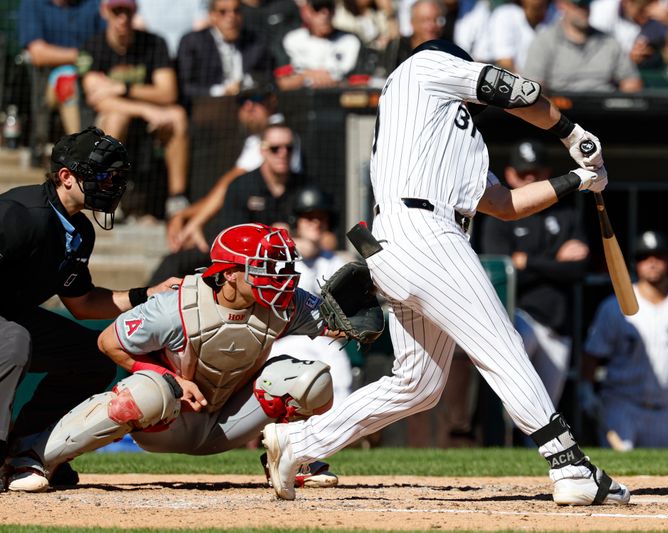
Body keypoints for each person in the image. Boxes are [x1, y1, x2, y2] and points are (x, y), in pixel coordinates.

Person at [262, 39, 630, 506]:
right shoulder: (424, 67)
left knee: (418, 384)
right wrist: (569, 130)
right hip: (425, 233)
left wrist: (577, 179)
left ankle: (299, 444)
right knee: (502, 347)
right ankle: (569, 465)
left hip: (396, 244)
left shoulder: (449, 133)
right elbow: (517, 90)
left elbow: (505, 205)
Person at [5, 222, 345, 492]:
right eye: (264, 268)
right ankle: (32, 455)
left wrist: (365, 304)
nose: (277, 278)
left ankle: (293, 459)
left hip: (229, 420)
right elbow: (109, 342)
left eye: (279, 267)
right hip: (168, 418)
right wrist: (174, 380)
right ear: (229, 273)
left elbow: (343, 323)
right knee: (146, 392)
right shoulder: (176, 306)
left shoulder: (286, 303)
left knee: (310, 380)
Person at [0, 126, 179, 488]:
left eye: (115, 176)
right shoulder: (18, 215)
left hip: (12, 314)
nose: (111, 184)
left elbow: (82, 303)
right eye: (101, 175)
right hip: (8, 321)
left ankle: (29, 448)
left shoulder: (79, 230)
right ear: (65, 177)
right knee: (14, 340)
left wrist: (149, 293)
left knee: (93, 359)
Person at [578, 230, 668, 451]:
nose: (652, 262)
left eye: (659, 256)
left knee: (659, 480)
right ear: (635, 264)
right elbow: (593, 354)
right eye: (644, 257)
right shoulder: (615, 306)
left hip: (663, 410)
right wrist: (586, 390)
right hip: (620, 406)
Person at [481, 139, 589, 411]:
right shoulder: (498, 215)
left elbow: (577, 270)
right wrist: (555, 261)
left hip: (556, 324)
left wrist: (527, 262)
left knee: (546, 411)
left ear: (547, 174)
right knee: (509, 403)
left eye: (536, 173)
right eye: (523, 173)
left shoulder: (566, 213)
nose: (530, 179)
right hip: (517, 319)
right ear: (509, 174)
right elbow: (502, 276)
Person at [78, 0, 191, 219]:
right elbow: (97, 100)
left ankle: (177, 197)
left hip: (150, 121)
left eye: (127, 12)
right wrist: (144, 109)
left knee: (177, 115)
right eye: (116, 11)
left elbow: (168, 93)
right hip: (104, 124)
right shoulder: (92, 47)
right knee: (117, 116)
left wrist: (122, 87)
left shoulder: (154, 43)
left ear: (134, 12)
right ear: (104, 12)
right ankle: (106, 196)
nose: (122, 18)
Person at [148, 122, 302, 282]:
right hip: (243, 258)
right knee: (175, 262)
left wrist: (294, 236)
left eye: (289, 148)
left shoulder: (306, 189)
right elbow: (232, 237)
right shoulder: (242, 185)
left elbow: (327, 236)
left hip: (295, 258)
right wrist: (272, 237)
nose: (283, 153)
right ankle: (145, 302)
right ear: (262, 150)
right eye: (275, 148)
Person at [273, 186, 353, 406]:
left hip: (326, 340)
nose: (316, 222)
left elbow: (348, 321)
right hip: (286, 339)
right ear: (296, 221)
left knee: (340, 374)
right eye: (309, 217)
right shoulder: (282, 259)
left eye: (321, 217)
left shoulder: (336, 262)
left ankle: (337, 434)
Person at [17, 0, 105, 141]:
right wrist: (81, 55)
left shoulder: (93, 5)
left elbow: (107, 43)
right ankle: (80, 148)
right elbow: (38, 54)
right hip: (47, 81)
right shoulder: (33, 3)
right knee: (67, 81)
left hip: (91, 77)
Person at [520, 0, 643, 93]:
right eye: (578, 5)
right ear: (562, 5)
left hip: (603, 110)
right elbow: (533, 87)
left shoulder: (608, 41)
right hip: (561, 112)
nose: (584, 10)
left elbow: (631, 82)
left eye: (586, 4)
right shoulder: (544, 41)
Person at [176, 0, 276, 99]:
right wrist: (221, 91)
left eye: (236, 11)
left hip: (250, 103)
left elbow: (267, 78)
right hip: (210, 106)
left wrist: (245, 85)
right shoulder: (193, 43)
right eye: (223, 12)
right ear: (212, 16)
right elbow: (186, 87)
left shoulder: (255, 41)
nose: (231, 17)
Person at [273, 0, 362, 90]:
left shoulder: (350, 41)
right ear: (306, 12)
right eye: (317, 8)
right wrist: (305, 77)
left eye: (329, 7)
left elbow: (363, 84)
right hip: (301, 100)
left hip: (337, 100)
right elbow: (281, 82)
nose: (325, 14)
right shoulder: (291, 39)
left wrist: (334, 81)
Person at [381, 0, 445, 74]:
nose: (432, 26)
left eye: (436, 20)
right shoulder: (397, 48)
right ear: (412, 22)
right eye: (424, 20)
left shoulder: (448, 50)